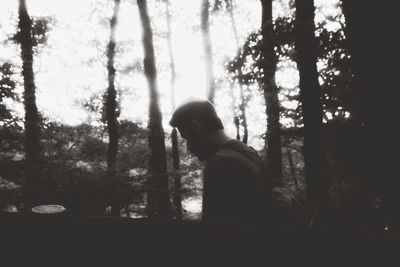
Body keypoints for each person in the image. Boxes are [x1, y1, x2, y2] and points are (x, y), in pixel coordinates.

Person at [170, 100, 270, 224]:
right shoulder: (249, 152)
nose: (188, 147)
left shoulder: (220, 164)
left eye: (187, 138)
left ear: (196, 127)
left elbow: (215, 233)